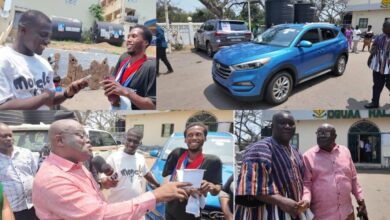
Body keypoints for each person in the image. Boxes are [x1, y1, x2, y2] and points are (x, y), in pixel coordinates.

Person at [32, 119, 191, 220]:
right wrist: (155, 196)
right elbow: (100, 215)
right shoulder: (53, 180)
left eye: (87, 135)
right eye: (81, 136)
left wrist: (103, 184)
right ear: (60, 141)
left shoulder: (76, 165)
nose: (89, 140)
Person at [0, 10, 88, 110]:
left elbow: (49, 101)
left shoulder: (44, 64)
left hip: (42, 123)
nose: (48, 41)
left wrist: (66, 93)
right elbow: (3, 107)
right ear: (23, 30)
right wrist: (43, 97)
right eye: (43, 34)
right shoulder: (3, 60)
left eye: (49, 36)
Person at [235, 111, 306, 220]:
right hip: (266, 214)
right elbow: (252, 187)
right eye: (282, 123)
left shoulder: (296, 152)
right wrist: (281, 201)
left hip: (292, 213)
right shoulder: (260, 149)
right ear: (273, 126)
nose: (287, 126)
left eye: (291, 124)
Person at [301, 124, 368, 220]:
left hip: (347, 213)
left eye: (325, 133)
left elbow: (353, 179)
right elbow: (306, 183)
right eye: (319, 133)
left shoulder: (345, 152)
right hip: (322, 216)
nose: (321, 136)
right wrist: (306, 200)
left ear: (334, 136)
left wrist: (361, 201)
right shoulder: (308, 156)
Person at [162, 123, 222, 220]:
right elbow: (165, 178)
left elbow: (217, 189)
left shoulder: (213, 161)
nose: (194, 138)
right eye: (190, 135)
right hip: (170, 211)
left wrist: (211, 187)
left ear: (205, 138)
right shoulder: (177, 154)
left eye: (198, 134)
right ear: (185, 140)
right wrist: (179, 187)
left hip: (192, 215)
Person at [101, 127, 161, 206]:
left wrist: (158, 185)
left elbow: (146, 174)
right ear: (125, 139)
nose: (131, 144)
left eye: (135, 142)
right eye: (129, 140)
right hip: (116, 207)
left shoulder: (140, 158)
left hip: (135, 206)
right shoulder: (113, 158)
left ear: (140, 143)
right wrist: (106, 182)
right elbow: (103, 181)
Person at [102, 25, 156, 110]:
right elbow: (115, 79)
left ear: (145, 42)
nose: (129, 40)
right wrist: (112, 92)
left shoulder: (151, 68)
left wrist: (126, 92)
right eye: (128, 36)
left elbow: (152, 106)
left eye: (134, 36)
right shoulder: (124, 58)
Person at [0, 123, 38, 220]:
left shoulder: (26, 153)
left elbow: (34, 174)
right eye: (3, 136)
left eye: (10, 135)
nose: (8, 138)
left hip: (34, 206)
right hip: (12, 211)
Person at [365, 21, 390, 109]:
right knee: (376, 86)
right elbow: (374, 46)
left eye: (384, 27)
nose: (382, 28)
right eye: (383, 27)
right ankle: (374, 103)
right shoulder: (379, 37)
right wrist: (373, 49)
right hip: (378, 67)